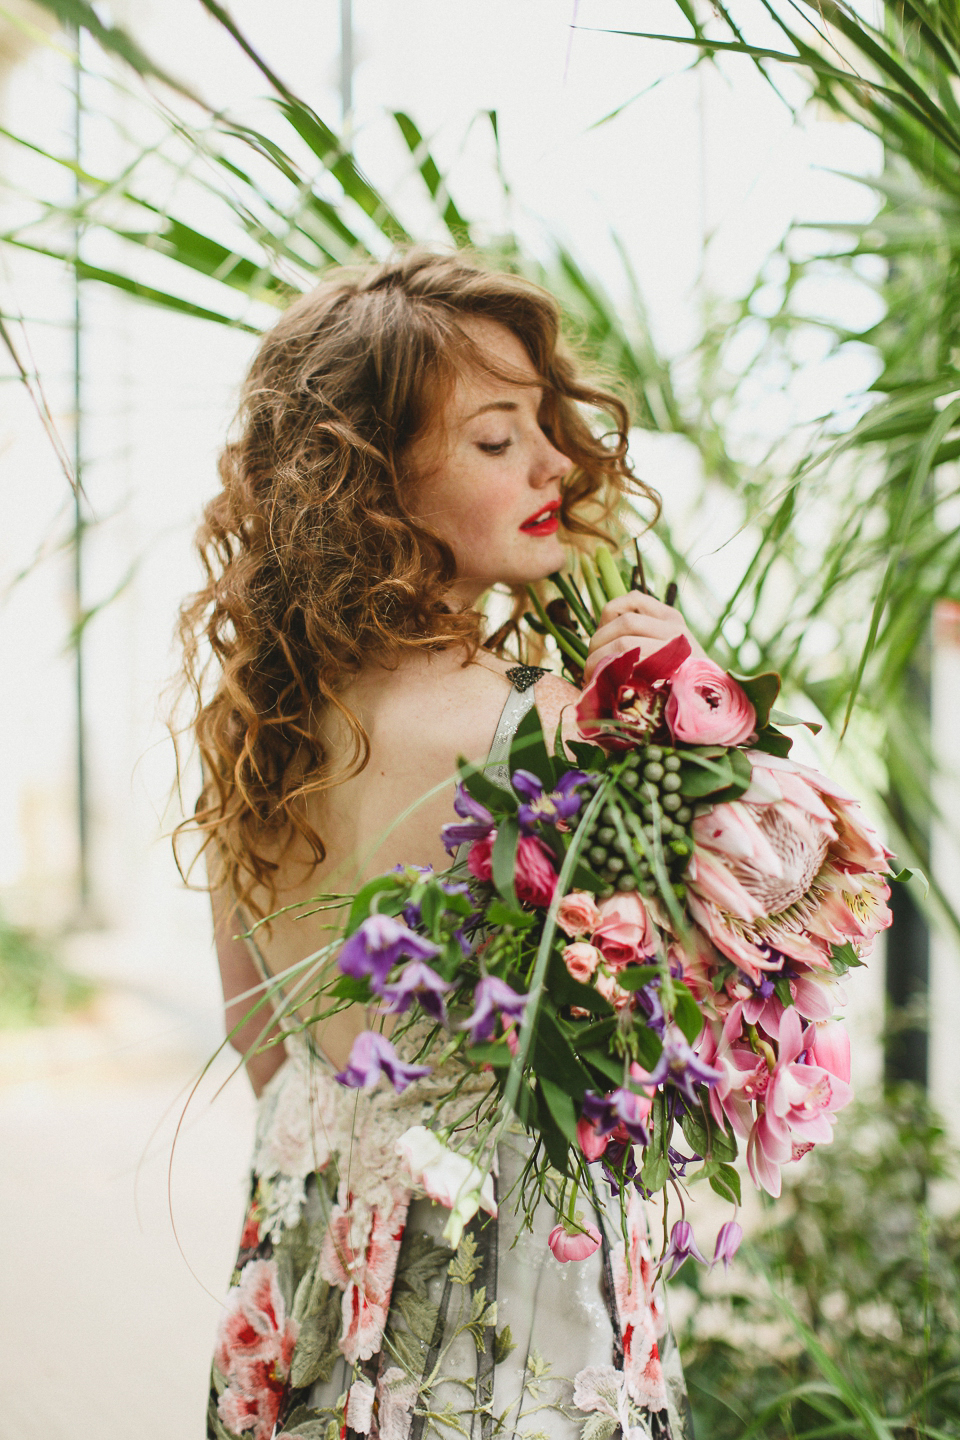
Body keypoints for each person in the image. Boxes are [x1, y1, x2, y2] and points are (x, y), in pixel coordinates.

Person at [179, 250, 699, 1440]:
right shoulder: (542, 724)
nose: (556, 463)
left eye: (541, 425)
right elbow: (653, 1029)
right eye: (497, 437)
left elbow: (259, 1035)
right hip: (508, 1294)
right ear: (375, 483)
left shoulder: (262, 724)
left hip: (310, 1271)